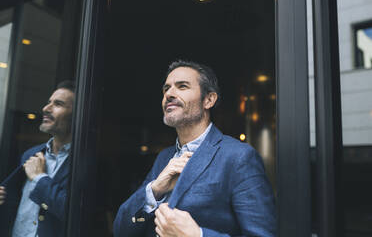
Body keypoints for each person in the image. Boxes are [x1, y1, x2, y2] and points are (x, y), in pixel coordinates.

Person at [113, 60, 276, 237]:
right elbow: (122, 230)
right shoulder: (164, 158)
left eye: (182, 86)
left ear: (208, 100)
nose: (169, 94)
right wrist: (154, 190)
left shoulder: (239, 157)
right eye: (166, 89)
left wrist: (198, 235)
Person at [0, 80, 75, 237]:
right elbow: (14, 201)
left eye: (58, 104)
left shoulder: (82, 162)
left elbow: (74, 213)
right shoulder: (30, 154)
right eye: (49, 103)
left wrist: (39, 178)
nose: (46, 109)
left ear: (76, 115)